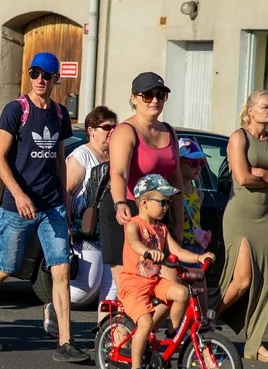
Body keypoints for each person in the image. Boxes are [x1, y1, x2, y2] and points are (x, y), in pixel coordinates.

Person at [0, 52, 88, 362]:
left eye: (46, 75)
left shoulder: (61, 114)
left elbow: (60, 162)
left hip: (52, 206)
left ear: (55, 80)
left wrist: (66, 202)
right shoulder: (16, 110)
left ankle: (66, 342)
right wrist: (19, 195)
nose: (39, 79)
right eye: (35, 73)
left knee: (61, 270)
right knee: (3, 269)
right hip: (17, 205)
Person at [212, 91, 268, 363]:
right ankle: (209, 317)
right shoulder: (238, 137)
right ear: (251, 110)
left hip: (267, 216)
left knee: (266, 281)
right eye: (265, 106)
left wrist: (263, 174)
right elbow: (243, 177)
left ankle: (254, 343)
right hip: (241, 215)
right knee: (243, 279)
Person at [119, 174, 215, 369]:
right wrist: (148, 252)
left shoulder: (161, 229)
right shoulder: (134, 225)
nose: (166, 207)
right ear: (144, 202)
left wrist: (199, 257)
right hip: (133, 284)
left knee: (181, 293)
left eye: (168, 202)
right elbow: (134, 243)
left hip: (153, 281)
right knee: (144, 322)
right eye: (162, 202)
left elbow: (178, 250)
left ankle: (172, 333)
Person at [100, 72, 183, 288]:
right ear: (134, 99)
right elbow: (118, 172)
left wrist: (179, 223)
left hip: (158, 212)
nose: (154, 100)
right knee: (132, 287)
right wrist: (119, 204)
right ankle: (118, 323)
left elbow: (176, 179)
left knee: (169, 285)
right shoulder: (126, 131)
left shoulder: (169, 132)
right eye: (147, 95)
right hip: (126, 210)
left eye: (160, 94)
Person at [64, 106, 118, 318]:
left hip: (112, 230)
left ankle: (105, 336)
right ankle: (54, 303)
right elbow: (65, 191)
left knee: (112, 288)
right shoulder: (81, 156)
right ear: (91, 130)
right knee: (86, 287)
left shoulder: (116, 156)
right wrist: (65, 225)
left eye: (115, 127)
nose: (112, 131)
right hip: (87, 231)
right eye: (107, 127)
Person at [178, 138, 212, 318]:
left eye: (201, 162)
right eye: (192, 162)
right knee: (180, 298)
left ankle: (201, 331)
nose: (198, 167)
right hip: (179, 248)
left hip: (196, 249)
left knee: (200, 296)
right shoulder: (173, 193)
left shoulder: (199, 194)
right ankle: (174, 332)